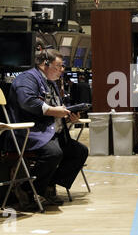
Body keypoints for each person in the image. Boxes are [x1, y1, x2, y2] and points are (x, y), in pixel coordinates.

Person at [7, 48, 88, 208]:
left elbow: (56, 109)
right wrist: (53, 111)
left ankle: (48, 186)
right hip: (32, 133)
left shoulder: (50, 82)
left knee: (80, 152)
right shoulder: (27, 79)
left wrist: (69, 116)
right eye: (59, 66)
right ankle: (27, 190)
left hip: (52, 133)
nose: (62, 70)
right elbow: (28, 102)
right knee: (54, 153)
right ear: (45, 64)